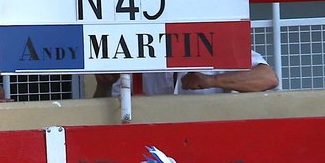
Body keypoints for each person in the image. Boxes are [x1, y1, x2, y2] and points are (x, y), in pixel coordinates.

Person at [92, 51, 279, 98]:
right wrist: (104, 85)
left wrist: (212, 80)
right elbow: (107, 112)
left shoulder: (215, 43)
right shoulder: (134, 54)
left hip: (207, 137)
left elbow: (267, 78)